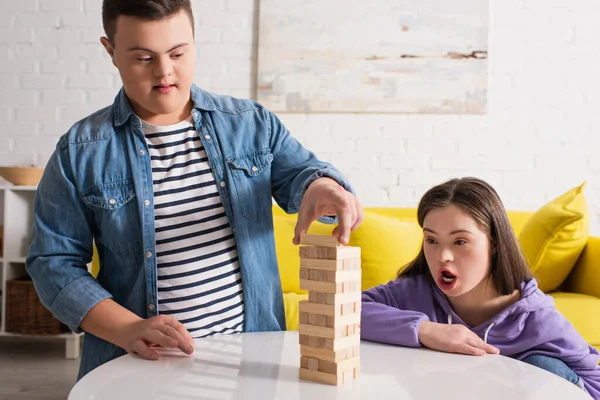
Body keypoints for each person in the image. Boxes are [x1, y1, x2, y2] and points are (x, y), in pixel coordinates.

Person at [25, 0, 363, 380]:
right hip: (139, 367)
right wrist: (127, 329)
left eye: (177, 52)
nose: (165, 71)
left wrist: (322, 186)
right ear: (111, 52)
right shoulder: (79, 152)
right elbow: (53, 262)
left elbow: (304, 174)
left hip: (252, 364)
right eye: (143, 57)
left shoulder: (251, 125)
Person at [361, 177, 600, 398]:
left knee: (543, 367)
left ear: (494, 243)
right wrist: (425, 330)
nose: (443, 256)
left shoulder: (537, 319)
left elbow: (593, 382)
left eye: (460, 241)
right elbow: (341, 309)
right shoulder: (414, 293)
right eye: (431, 240)